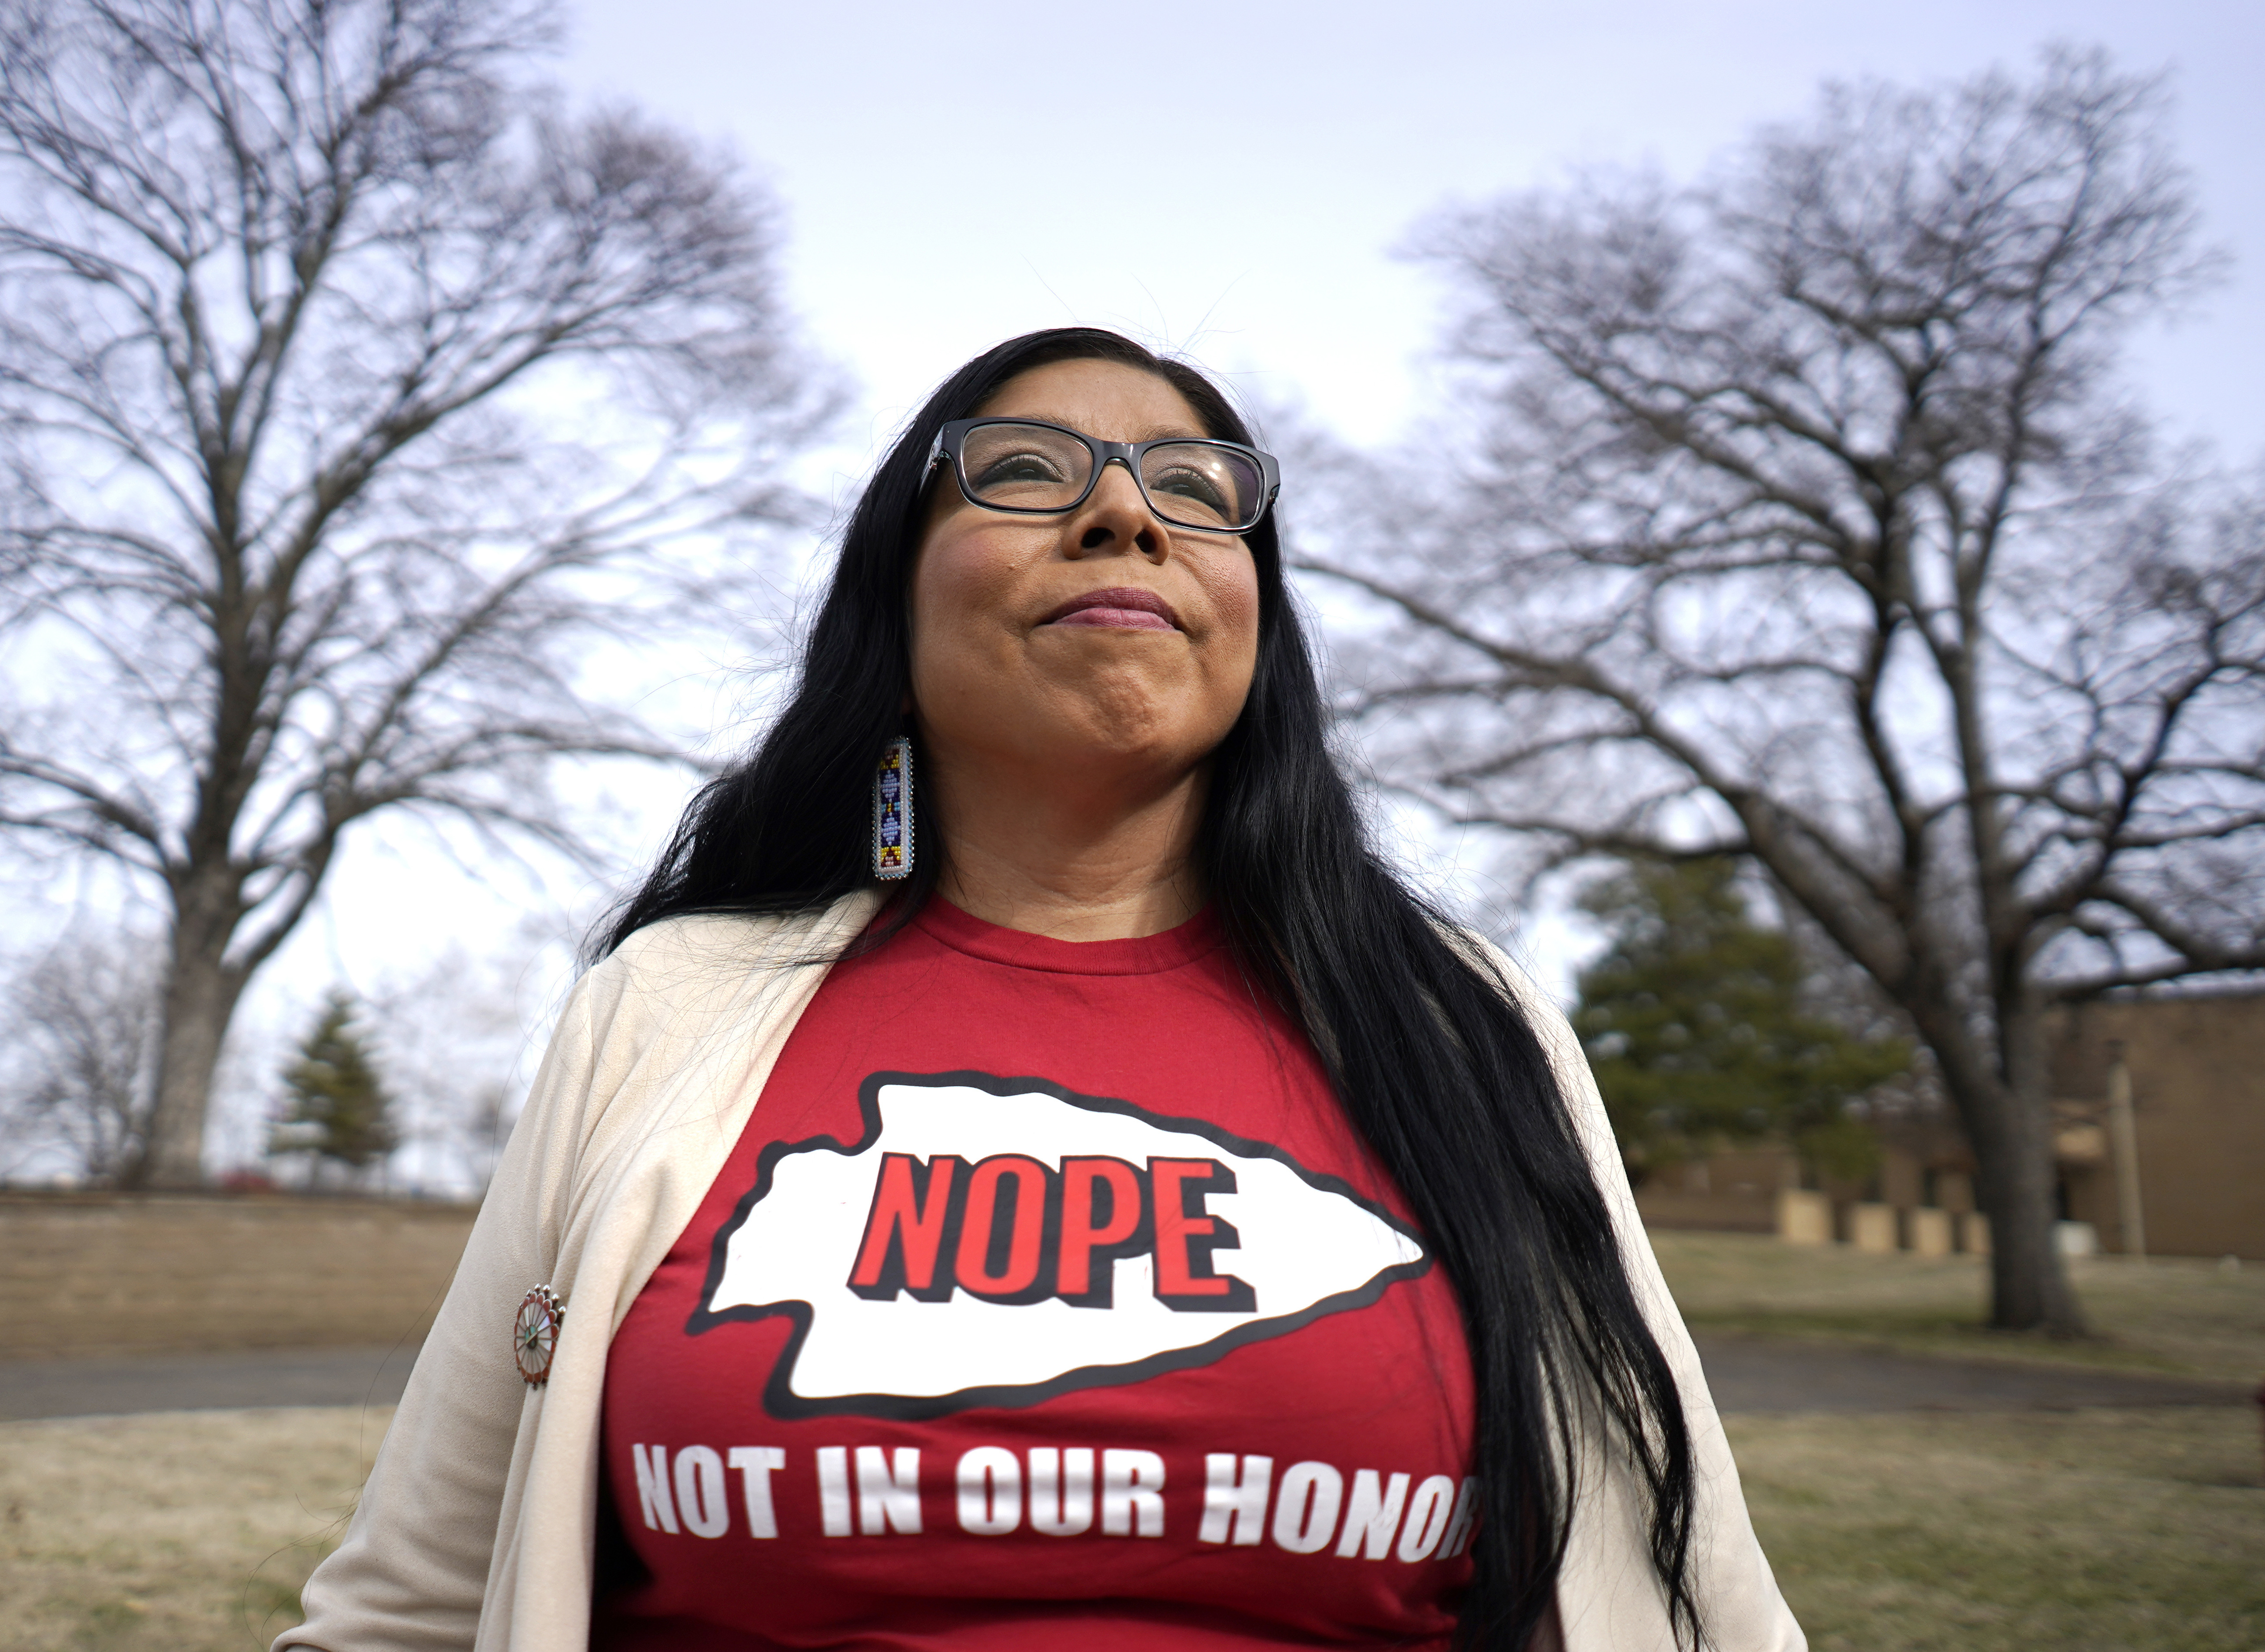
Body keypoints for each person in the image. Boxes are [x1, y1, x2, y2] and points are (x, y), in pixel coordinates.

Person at [274, 329, 1803, 1652]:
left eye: (1195, 491)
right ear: (898, 600)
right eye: (1023, 471)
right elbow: (414, 1600)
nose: (1126, 512)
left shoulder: (1457, 1020)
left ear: (1252, 619)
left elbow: (1693, 1588)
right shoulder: (665, 1007)